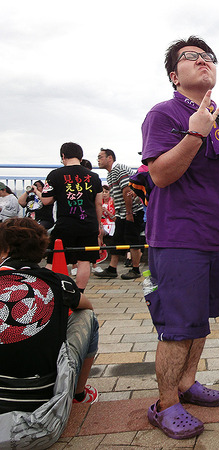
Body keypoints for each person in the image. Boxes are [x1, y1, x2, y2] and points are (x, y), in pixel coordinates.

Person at [141, 36, 219, 440]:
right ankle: (165, 403)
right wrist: (195, 133)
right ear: (174, 74)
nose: (203, 62)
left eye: (208, 58)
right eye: (192, 57)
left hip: (216, 238)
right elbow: (161, 175)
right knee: (177, 327)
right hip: (178, 238)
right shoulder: (164, 114)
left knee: (200, 322)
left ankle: (186, 382)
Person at [0, 218, 99, 448]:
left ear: (5, 249)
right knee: (87, 318)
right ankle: (79, 395)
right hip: (42, 401)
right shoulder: (59, 282)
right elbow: (87, 307)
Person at [41, 142, 102, 293]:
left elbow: (46, 200)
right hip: (88, 225)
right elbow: (99, 203)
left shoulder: (54, 175)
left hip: (65, 224)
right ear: (81, 157)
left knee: (54, 258)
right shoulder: (94, 177)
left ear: (63, 156)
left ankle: (57, 292)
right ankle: (79, 293)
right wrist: (98, 225)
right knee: (84, 260)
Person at [95, 148, 145, 280]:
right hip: (123, 212)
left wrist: (129, 213)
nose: (98, 160)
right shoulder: (111, 174)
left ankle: (135, 269)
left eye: (100, 157)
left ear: (109, 158)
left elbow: (127, 191)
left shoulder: (119, 169)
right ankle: (112, 268)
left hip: (132, 211)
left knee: (132, 240)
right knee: (117, 239)